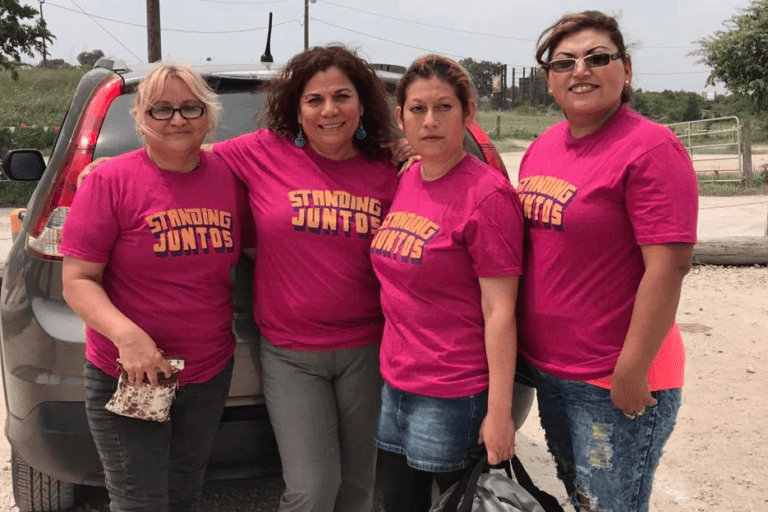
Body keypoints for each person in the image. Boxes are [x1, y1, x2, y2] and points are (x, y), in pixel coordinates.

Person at [516, 11, 698, 512]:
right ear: (549, 79)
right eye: (565, 62)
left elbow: (669, 266)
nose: (581, 70)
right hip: (553, 371)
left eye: (598, 58)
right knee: (582, 500)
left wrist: (631, 370)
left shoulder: (651, 149)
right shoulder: (543, 147)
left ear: (627, 69)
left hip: (612, 377)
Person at [209, 45, 399, 512]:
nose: (329, 110)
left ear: (362, 104)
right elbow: (185, 153)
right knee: (312, 489)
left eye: (342, 96)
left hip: (370, 349)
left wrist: (414, 148)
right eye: (314, 99)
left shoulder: (390, 165)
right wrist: (106, 169)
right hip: (292, 354)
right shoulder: (260, 152)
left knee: (359, 488)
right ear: (296, 108)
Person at [60, 62, 250, 512]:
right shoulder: (110, 180)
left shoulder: (229, 177)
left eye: (190, 107)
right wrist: (130, 340)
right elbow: (78, 281)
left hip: (208, 371)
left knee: (185, 491)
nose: (178, 119)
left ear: (209, 115)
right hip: (131, 371)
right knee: (139, 500)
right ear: (141, 118)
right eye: (161, 109)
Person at [370, 55, 525, 512]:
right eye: (417, 109)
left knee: (460, 504)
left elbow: (501, 312)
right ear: (400, 117)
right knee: (399, 502)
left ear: (468, 113)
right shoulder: (407, 178)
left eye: (444, 107)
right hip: (397, 382)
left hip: (455, 391)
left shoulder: (488, 196)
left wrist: (500, 414)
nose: (430, 121)